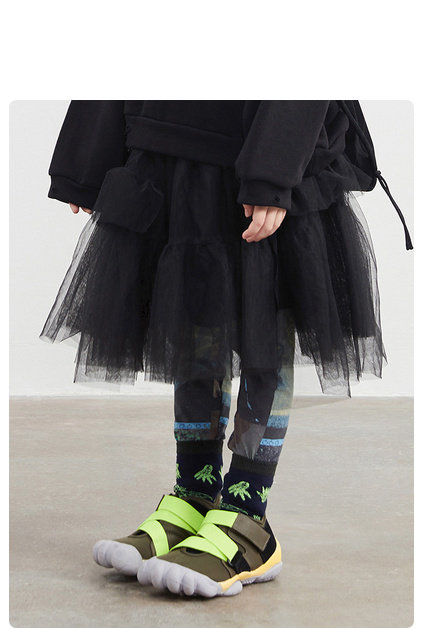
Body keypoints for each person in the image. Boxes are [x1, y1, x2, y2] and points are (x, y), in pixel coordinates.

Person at [40, 100, 410, 598]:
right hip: (172, 136)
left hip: (262, 139)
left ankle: (247, 513)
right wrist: (87, 156)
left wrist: (273, 172)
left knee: (266, 318)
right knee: (193, 313)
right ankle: (195, 495)